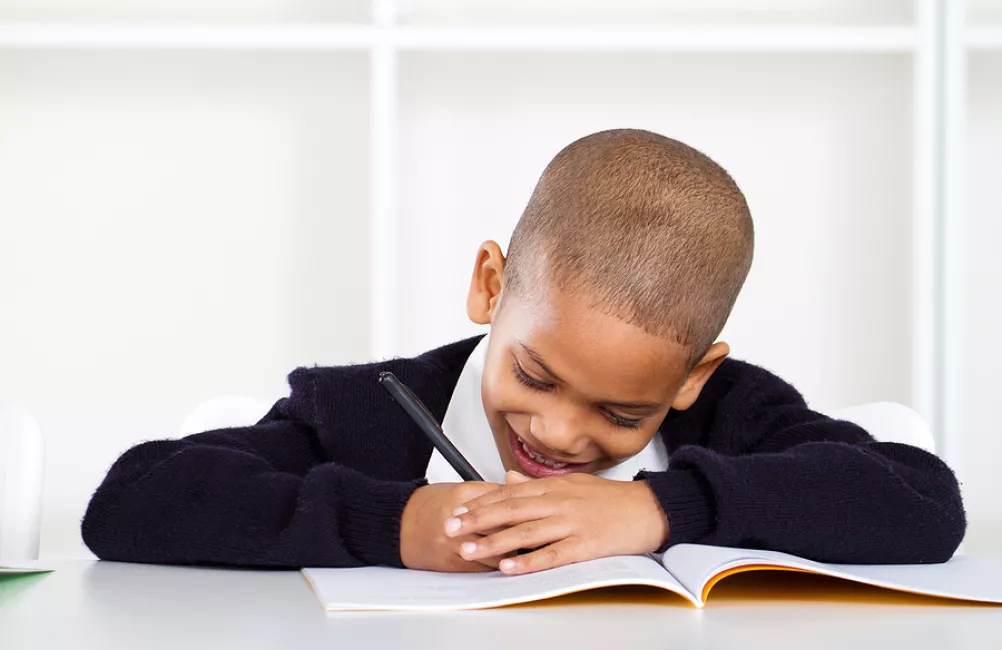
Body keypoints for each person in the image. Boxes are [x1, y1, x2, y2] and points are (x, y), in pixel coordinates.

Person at [82, 129, 966, 573]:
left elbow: (925, 503)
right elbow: (132, 502)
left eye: (624, 414)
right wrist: (395, 525)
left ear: (694, 375)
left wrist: (660, 509)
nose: (560, 432)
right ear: (489, 287)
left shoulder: (733, 412)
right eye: (535, 374)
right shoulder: (365, 412)